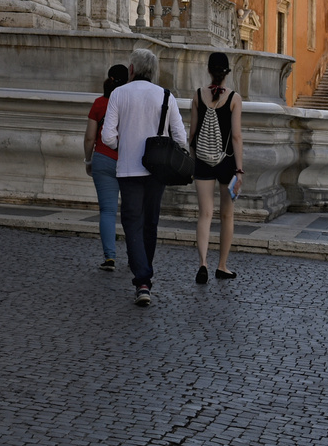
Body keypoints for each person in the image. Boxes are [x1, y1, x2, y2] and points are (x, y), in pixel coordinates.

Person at [100, 47, 187, 306]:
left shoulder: (119, 94)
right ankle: (144, 274)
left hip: (128, 169)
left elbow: (107, 137)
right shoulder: (166, 96)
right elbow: (180, 138)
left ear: (132, 70)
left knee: (132, 222)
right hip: (156, 169)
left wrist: (123, 145)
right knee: (150, 222)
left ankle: (142, 279)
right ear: (154, 71)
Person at [190, 51, 243, 282]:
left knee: (205, 214)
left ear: (209, 70)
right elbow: (237, 137)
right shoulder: (234, 98)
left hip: (202, 161)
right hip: (226, 162)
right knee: (226, 215)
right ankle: (222, 266)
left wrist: (194, 158)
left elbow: (191, 133)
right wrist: (239, 170)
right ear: (227, 73)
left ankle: (203, 263)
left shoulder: (198, 95)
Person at [82, 63, 128, 271]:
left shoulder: (100, 103)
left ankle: (110, 258)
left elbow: (90, 137)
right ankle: (134, 256)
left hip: (103, 158)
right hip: (128, 161)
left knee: (107, 211)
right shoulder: (129, 103)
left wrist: (88, 160)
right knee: (131, 211)